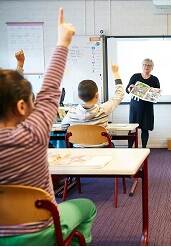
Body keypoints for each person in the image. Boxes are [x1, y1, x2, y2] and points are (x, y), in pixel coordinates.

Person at [0, 9, 96, 245]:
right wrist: (63, 41)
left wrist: (19, 67)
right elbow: (51, 87)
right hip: (41, 230)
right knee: (87, 207)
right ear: (22, 107)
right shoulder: (33, 133)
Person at [61, 64, 124, 130]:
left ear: (79, 96)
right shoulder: (104, 110)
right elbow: (119, 94)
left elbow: (63, 127)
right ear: (97, 95)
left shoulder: (72, 112)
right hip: (101, 140)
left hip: (76, 141)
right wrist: (115, 73)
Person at [126, 58, 160, 148]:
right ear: (142, 66)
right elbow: (127, 89)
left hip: (147, 108)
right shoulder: (135, 76)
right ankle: (129, 148)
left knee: (145, 129)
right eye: (144, 65)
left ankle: (144, 148)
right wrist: (130, 88)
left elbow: (157, 95)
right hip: (135, 107)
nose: (146, 67)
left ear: (152, 67)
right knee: (132, 128)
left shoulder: (155, 79)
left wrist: (156, 91)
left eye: (149, 65)